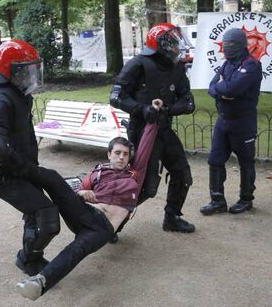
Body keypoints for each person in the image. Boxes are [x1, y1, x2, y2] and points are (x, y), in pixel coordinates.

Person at [16, 99, 164, 301]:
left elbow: (146, 144)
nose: (121, 158)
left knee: (77, 249)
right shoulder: (98, 171)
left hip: (102, 229)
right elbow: (78, 189)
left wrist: (153, 117)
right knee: (52, 177)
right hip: (84, 213)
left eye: (125, 155)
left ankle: (39, 282)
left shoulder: (134, 175)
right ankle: (13, 166)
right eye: (117, 153)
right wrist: (81, 194)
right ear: (109, 154)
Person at [0, 39, 62, 277]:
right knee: (46, 213)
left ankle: (32, 256)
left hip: (19, 168)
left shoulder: (12, 92)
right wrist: (25, 168)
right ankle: (28, 259)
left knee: (37, 211)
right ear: (9, 71)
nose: (31, 75)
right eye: (26, 71)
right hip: (4, 174)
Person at [110, 23, 196, 234]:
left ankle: (172, 217)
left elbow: (188, 101)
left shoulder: (177, 67)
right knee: (144, 186)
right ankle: (111, 223)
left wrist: (167, 109)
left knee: (182, 174)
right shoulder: (138, 64)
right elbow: (116, 96)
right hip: (142, 132)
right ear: (161, 45)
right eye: (173, 42)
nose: (177, 46)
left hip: (164, 130)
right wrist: (142, 109)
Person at [200, 28, 262, 216]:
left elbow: (233, 89)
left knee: (246, 162)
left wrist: (223, 89)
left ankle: (246, 199)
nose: (226, 48)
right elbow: (212, 87)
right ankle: (217, 201)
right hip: (223, 121)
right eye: (224, 44)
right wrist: (223, 90)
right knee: (215, 160)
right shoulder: (227, 64)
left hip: (243, 123)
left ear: (240, 44)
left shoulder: (252, 65)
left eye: (230, 44)